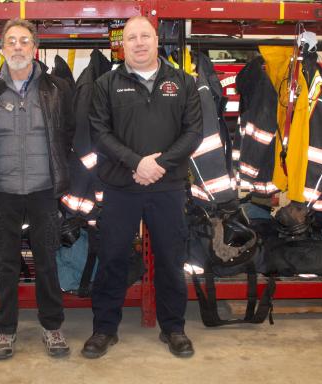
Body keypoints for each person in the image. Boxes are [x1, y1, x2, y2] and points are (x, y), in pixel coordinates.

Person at [82, 16, 203, 359]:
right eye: (132, 37)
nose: (138, 43)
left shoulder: (183, 82)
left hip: (168, 187)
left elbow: (193, 132)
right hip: (121, 187)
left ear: (156, 40)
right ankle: (104, 329)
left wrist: (158, 164)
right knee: (112, 258)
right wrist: (137, 163)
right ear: (123, 44)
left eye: (145, 36)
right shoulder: (106, 83)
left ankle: (174, 328)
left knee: (169, 258)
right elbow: (100, 134)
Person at [0, 18, 75, 360]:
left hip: (44, 189)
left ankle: (52, 325)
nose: (18, 47)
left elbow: (68, 134)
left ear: (35, 48)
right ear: (2, 48)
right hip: (4, 191)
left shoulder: (56, 89)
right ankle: (5, 331)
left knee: (47, 260)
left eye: (24, 41)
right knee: (6, 264)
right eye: (11, 41)